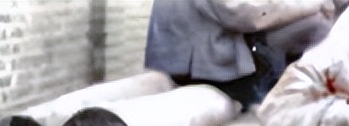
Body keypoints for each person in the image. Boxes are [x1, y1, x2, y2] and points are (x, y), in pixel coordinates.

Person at [144, 0, 338, 108]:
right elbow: (247, 15)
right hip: (202, 71)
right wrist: (315, 3)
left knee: (312, 24)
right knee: (314, 24)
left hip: (191, 63)